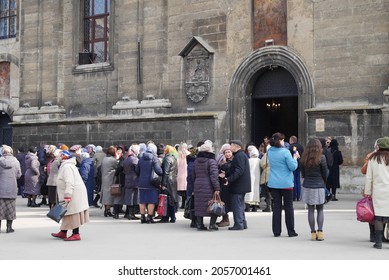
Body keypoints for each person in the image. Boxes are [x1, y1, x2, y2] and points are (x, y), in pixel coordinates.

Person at [51, 150, 89, 241]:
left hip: (73, 193)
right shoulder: (66, 165)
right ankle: (63, 232)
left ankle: (76, 234)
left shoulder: (67, 167)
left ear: (63, 157)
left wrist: (68, 195)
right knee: (67, 213)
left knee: (73, 213)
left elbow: (69, 181)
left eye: (59, 157)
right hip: (73, 192)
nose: (58, 158)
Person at [267, 132, 299, 237]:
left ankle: (276, 231)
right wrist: (295, 158)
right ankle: (290, 230)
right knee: (289, 206)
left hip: (274, 182)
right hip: (286, 183)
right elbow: (292, 167)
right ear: (280, 141)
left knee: (276, 207)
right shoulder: (285, 152)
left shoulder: (269, 151)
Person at [300, 138, 328, 241]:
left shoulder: (303, 158)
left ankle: (312, 233)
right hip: (319, 185)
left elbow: (303, 173)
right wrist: (324, 182)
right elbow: (325, 173)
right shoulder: (322, 158)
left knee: (310, 209)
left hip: (307, 185)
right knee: (320, 209)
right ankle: (320, 232)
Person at [364, 137, 389, 249]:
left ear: (379, 147)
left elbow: (369, 177)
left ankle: (378, 242)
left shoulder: (373, 159)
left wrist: (367, 192)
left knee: (378, 217)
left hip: (378, 191)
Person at [220, 139, 251, 230]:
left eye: (232, 145)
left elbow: (239, 171)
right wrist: (226, 174)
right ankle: (242, 223)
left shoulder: (239, 156)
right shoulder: (240, 155)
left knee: (237, 205)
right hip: (242, 185)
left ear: (238, 147)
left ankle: (238, 224)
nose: (230, 147)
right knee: (240, 205)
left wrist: (228, 179)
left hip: (238, 185)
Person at [193, 140, 220, 230]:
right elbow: (214, 176)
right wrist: (217, 188)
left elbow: (193, 175)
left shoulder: (196, 161)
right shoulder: (211, 161)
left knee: (199, 204)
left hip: (198, 184)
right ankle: (212, 224)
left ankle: (199, 225)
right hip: (208, 185)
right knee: (213, 203)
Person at [135, 142, 163, 224]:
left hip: (142, 182)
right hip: (151, 183)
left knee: (142, 200)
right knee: (151, 200)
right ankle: (150, 218)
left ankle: (142, 217)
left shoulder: (141, 158)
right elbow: (158, 171)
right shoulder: (154, 159)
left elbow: (137, 170)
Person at [0, 145, 22, 233]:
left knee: (0, 209)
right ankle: (9, 228)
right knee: (10, 209)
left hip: (1, 188)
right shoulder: (16, 162)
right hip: (11, 188)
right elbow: (19, 175)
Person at [160, 145, 179, 223]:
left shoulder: (167, 158)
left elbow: (166, 172)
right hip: (173, 180)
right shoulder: (174, 158)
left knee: (167, 199)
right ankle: (172, 217)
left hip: (168, 180)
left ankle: (166, 217)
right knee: (172, 198)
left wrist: (163, 183)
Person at [216, 143, 233, 227]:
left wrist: (225, 173)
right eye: (226, 152)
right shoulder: (222, 161)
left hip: (228, 184)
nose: (228, 154)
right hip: (222, 184)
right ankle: (224, 218)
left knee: (226, 202)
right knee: (222, 201)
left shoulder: (233, 161)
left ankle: (226, 219)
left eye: (229, 152)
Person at [122, 144, 140, 220]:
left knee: (129, 196)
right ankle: (131, 214)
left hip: (127, 178)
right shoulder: (134, 159)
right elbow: (138, 170)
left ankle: (127, 213)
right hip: (134, 179)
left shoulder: (127, 159)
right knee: (133, 197)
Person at [100, 146, 119, 217]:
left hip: (104, 177)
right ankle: (108, 210)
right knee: (109, 194)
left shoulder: (104, 159)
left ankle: (106, 209)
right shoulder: (113, 160)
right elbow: (117, 166)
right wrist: (117, 158)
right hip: (110, 178)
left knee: (105, 193)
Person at [245, 145, 261, 212]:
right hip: (257, 178)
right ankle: (255, 207)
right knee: (256, 192)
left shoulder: (248, 160)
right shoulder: (259, 160)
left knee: (249, 193)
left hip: (249, 177)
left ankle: (248, 207)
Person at [289, 136, 304, 201]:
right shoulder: (301, 146)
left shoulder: (291, 147)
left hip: (294, 164)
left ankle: (294, 195)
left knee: (293, 180)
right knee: (298, 180)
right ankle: (299, 196)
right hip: (300, 164)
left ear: (292, 140)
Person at [177, 142, 190, 209]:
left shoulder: (178, 154)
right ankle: (187, 204)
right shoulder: (188, 154)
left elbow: (177, 164)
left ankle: (182, 204)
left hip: (180, 174)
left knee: (181, 191)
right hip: (187, 173)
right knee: (186, 190)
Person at [260, 146, 272, 212]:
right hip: (276, 175)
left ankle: (268, 206)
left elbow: (262, 164)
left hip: (267, 174)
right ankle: (274, 206)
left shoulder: (267, 155)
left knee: (267, 191)